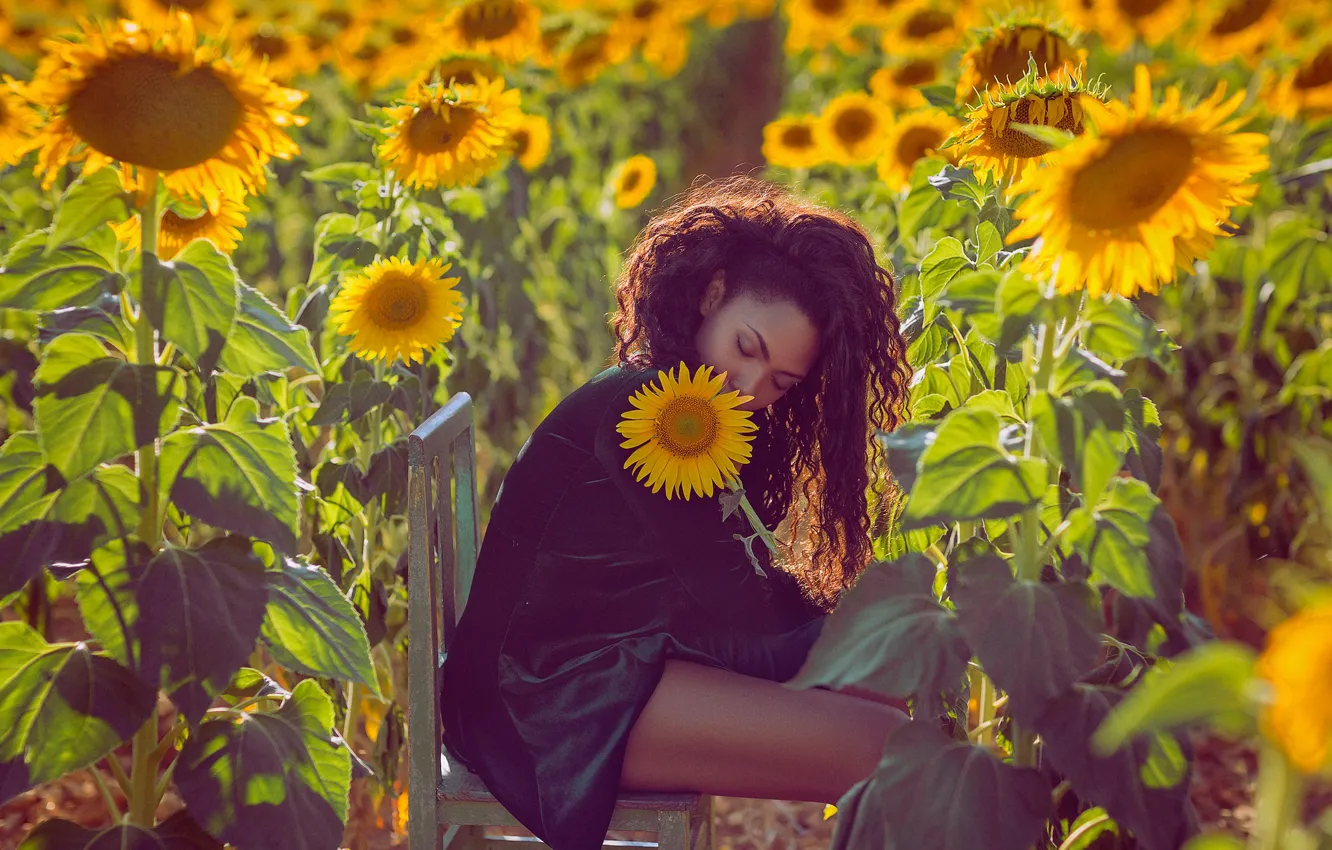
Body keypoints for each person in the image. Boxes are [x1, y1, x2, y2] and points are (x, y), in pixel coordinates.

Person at [439, 174, 914, 849]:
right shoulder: (660, 416)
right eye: (746, 349)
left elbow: (717, 603)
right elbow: (733, 615)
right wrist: (866, 642)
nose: (750, 390)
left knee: (882, 709)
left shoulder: (687, 402)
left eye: (781, 383)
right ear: (712, 296)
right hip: (541, 700)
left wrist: (856, 647)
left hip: (604, 656)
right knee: (887, 746)